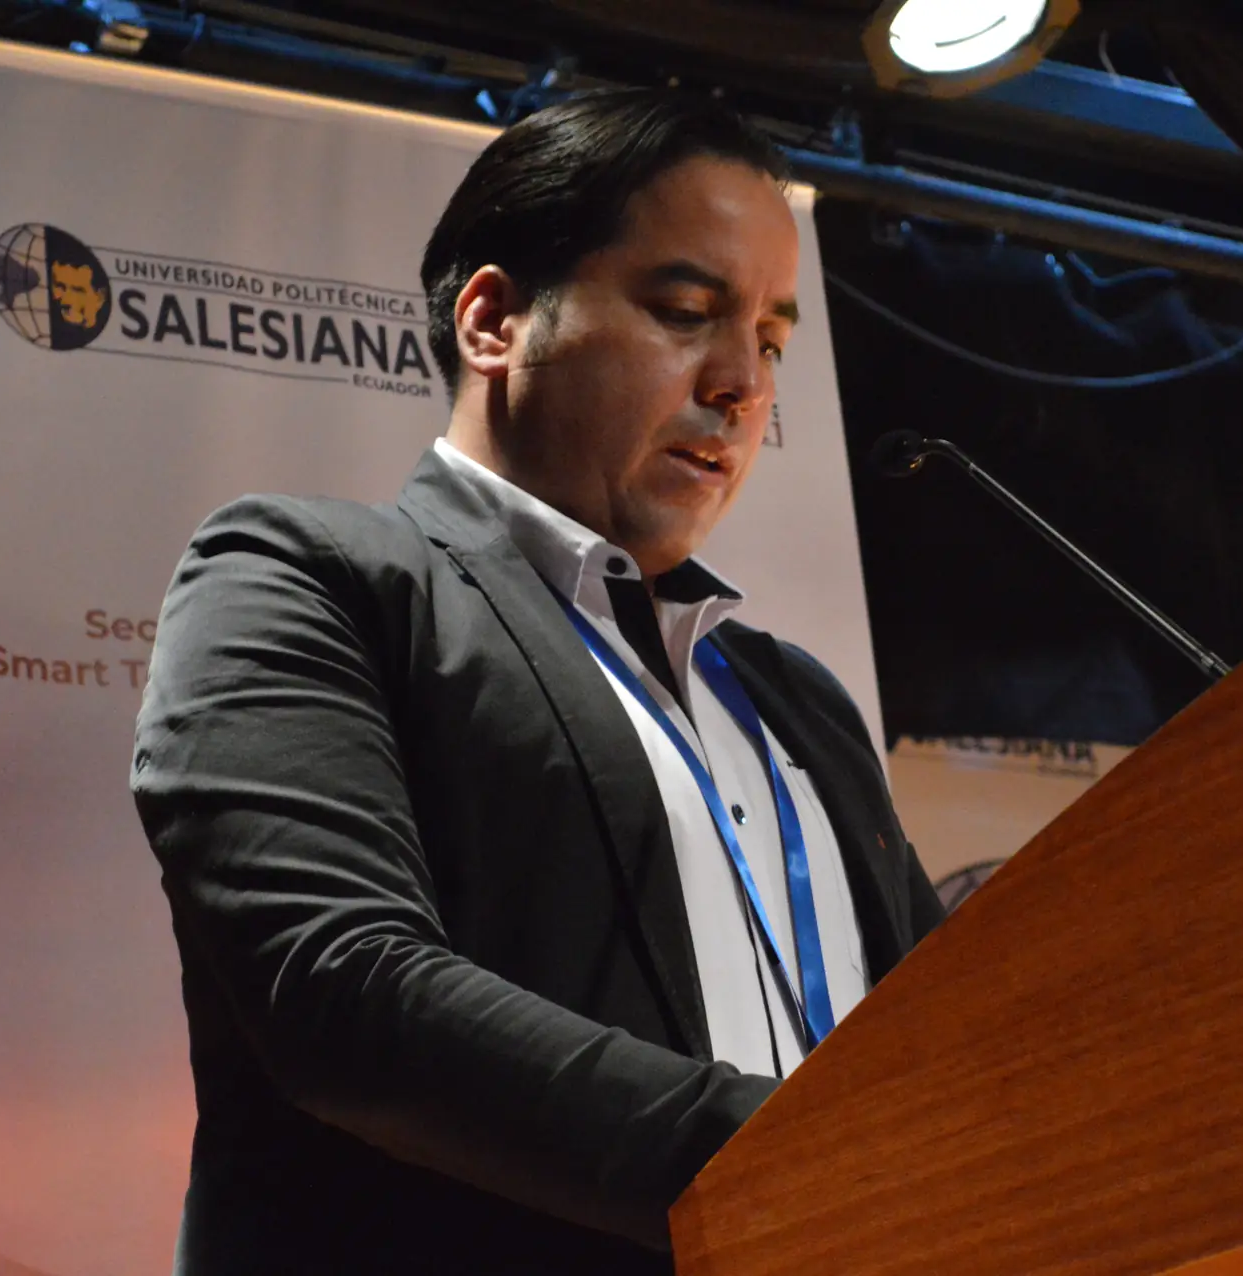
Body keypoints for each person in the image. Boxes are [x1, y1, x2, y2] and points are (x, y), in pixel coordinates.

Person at [132, 89, 944, 1276]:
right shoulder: (311, 577)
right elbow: (340, 989)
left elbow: (949, 1030)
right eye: (686, 313)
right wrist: (810, 1158)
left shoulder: (798, 702)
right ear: (494, 320)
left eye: (771, 342)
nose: (743, 383)